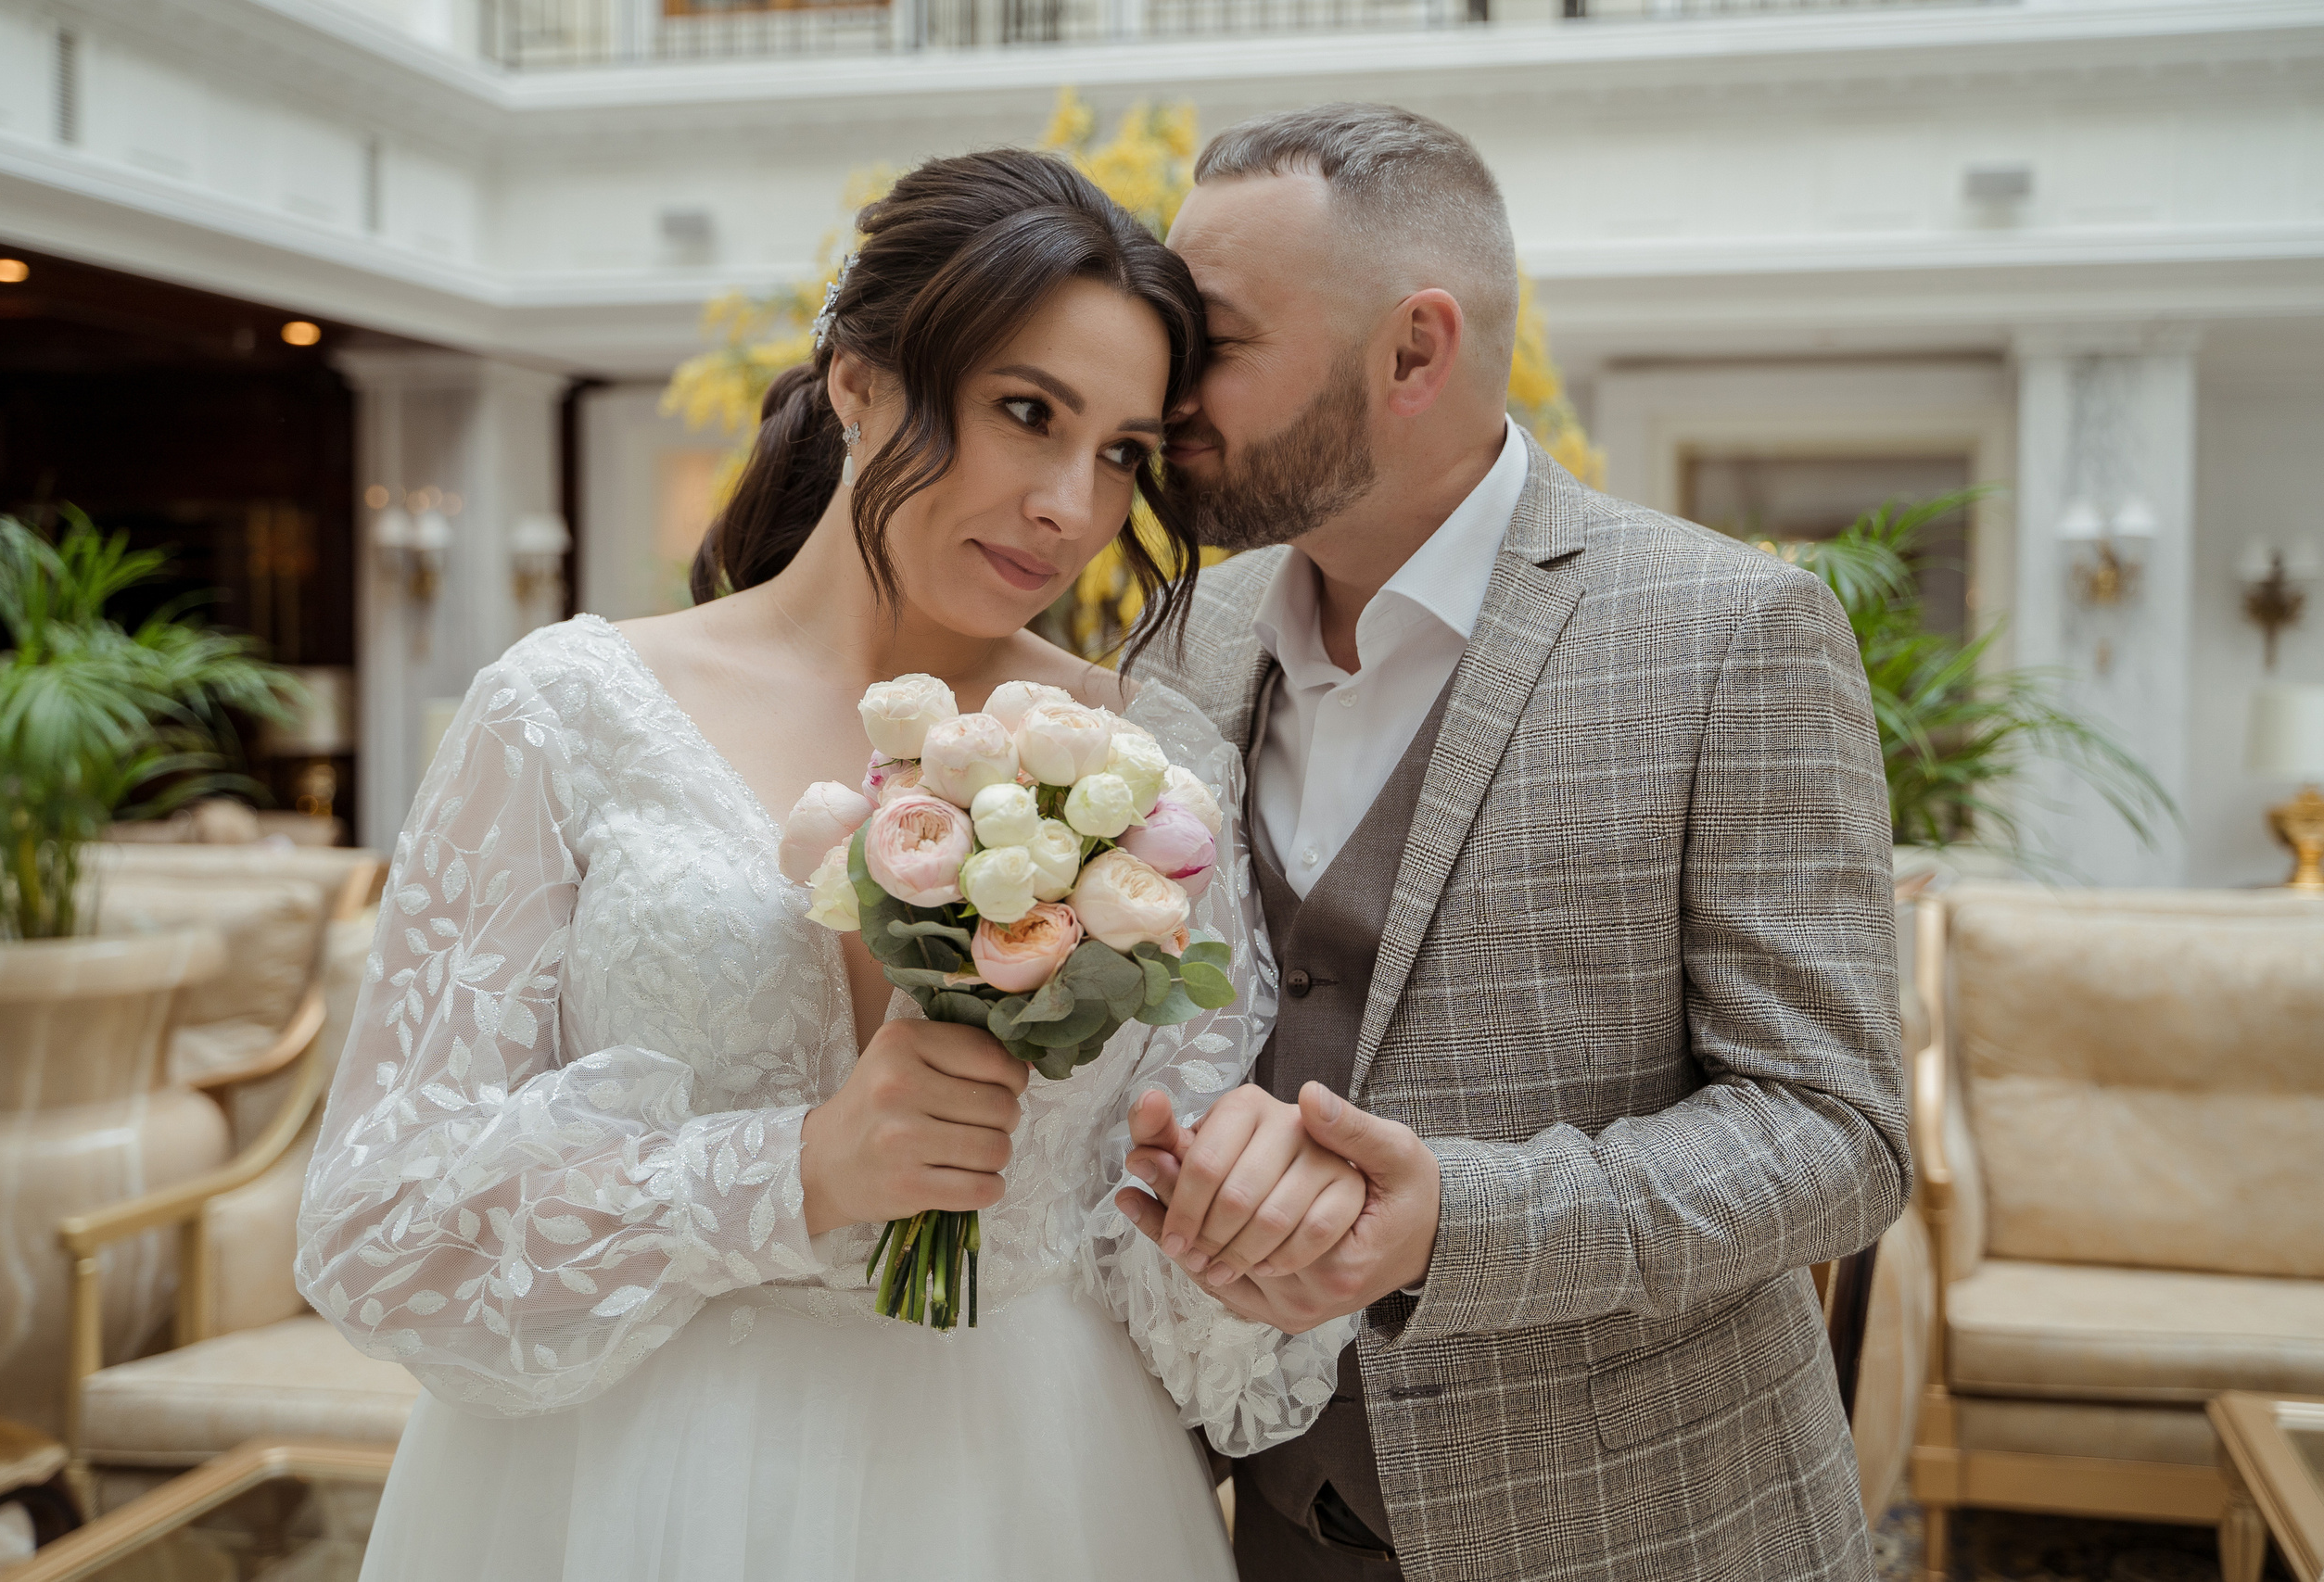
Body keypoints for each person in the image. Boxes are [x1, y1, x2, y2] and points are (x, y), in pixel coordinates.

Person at [295, 148, 1360, 1582]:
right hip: (628, 1491)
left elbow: (1154, 1253)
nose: (1070, 505)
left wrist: (1251, 1236)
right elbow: (376, 1220)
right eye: (1025, 413)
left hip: (1032, 1485)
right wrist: (794, 1169)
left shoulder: (1147, 764)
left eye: (1120, 453)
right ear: (857, 378)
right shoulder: (565, 712)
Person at [1118, 104, 1913, 1582]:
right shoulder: (1177, 643)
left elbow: (1838, 1134)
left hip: (1640, 1538)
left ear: (1415, 352)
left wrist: (1456, 1223)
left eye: (1211, 341)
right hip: (1256, 1533)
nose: (1166, 392)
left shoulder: (1729, 632)